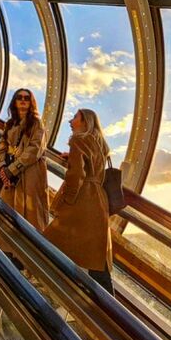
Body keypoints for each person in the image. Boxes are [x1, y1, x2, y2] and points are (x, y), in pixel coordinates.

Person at [44, 108, 114, 294]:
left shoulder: (78, 140)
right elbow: (91, 166)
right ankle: (110, 309)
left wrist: (67, 199)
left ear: (85, 121)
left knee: (48, 242)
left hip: (82, 200)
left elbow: (76, 175)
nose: (70, 121)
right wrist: (72, 158)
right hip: (98, 200)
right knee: (96, 259)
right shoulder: (100, 143)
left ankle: (40, 289)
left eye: (75, 117)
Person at [0, 89, 49, 265]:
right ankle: (7, 255)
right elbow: (1, 147)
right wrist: (2, 166)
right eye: (20, 98)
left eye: (27, 98)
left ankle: (26, 260)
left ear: (31, 102)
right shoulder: (9, 124)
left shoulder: (37, 124)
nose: (23, 101)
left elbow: (35, 149)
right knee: (6, 214)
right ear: (14, 102)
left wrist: (12, 169)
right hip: (10, 176)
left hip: (29, 175)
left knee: (29, 215)